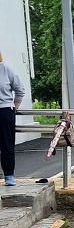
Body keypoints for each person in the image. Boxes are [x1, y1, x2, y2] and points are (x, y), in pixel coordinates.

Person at [0, 53, 25, 186]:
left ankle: (9, 175)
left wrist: (14, 107)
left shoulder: (6, 70)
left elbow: (20, 89)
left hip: (5, 110)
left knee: (7, 144)